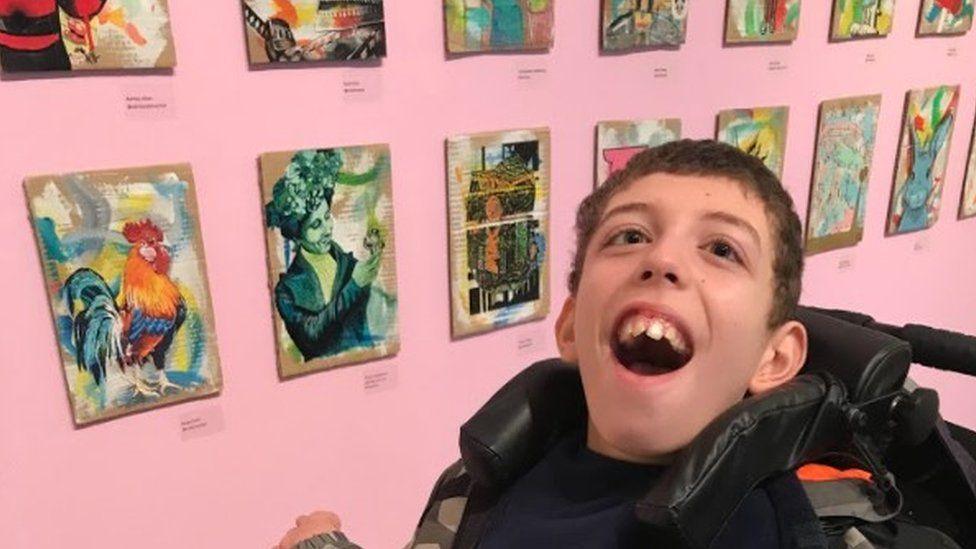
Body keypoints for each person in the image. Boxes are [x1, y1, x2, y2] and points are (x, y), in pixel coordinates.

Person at [276, 139, 821, 548]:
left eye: (722, 249)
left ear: (775, 357)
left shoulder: (754, 531)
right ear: (569, 327)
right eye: (630, 236)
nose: (662, 260)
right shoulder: (485, 478)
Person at [265, 149, 382, 362]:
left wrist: (376, 251)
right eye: (316, 224)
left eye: (327, 216)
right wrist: (354, 286)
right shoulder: (287, 291)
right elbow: (312, 336)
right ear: (298, 237)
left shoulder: (349, 264)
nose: (328, 228)